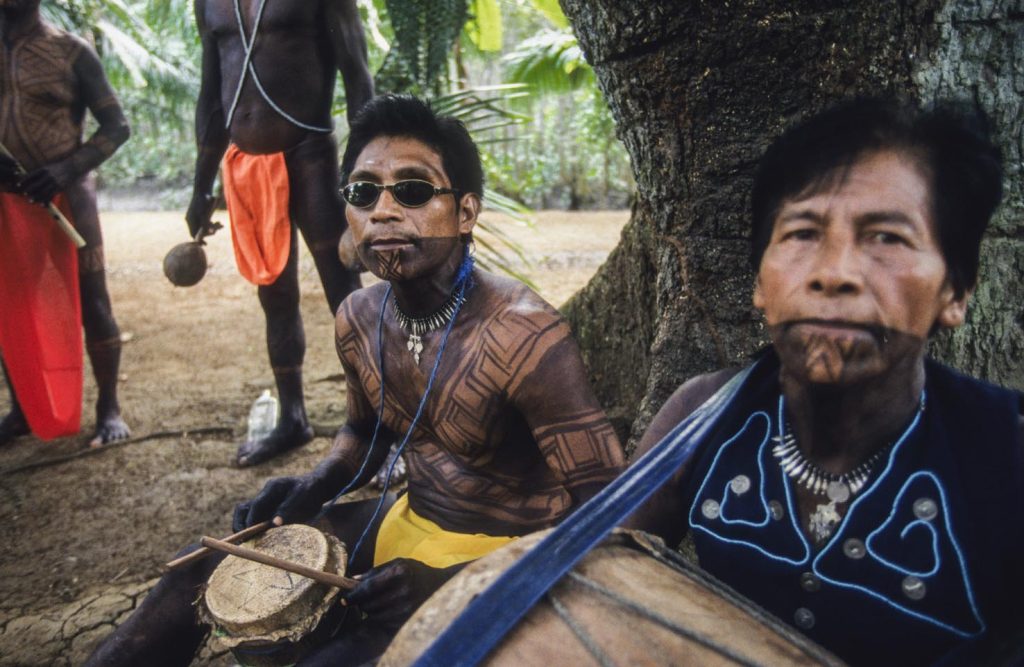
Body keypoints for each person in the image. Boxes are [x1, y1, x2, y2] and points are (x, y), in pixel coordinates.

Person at [85, 94, 625, 666]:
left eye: (413, 191)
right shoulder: (360, 318)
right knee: (200, 569)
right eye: (364, 193)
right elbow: (364, 432)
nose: (383, 211)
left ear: (465, 213)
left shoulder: (527, 336)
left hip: (507, 560)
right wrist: (312, 486)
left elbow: (614, 509)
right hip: (405, 524)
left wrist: (452, 582)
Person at [624, 98, 1022, 665]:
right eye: (803, 232)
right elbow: (594, 580)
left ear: (955, 292)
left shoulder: (1009, 456)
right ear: (760, 282)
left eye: (886, 237)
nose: (834, 273)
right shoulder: (702, 417)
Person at [189, 0, 374, 466]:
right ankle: (292, 418)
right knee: (273, 291)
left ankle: (379, 421)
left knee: (344, 290)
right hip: (246, 166)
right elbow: (212, 94)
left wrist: (361, 170)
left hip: (310, 154)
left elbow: (358, 75)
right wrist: (199, 186)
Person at [0, 0, 131, 446]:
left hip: (67, 196)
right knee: (10, 308)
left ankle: (109, 408)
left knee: (94, 302)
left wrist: (66, 169)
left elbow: (117, 126)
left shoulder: (72, 52)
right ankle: (21, 409)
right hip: (5, 203)